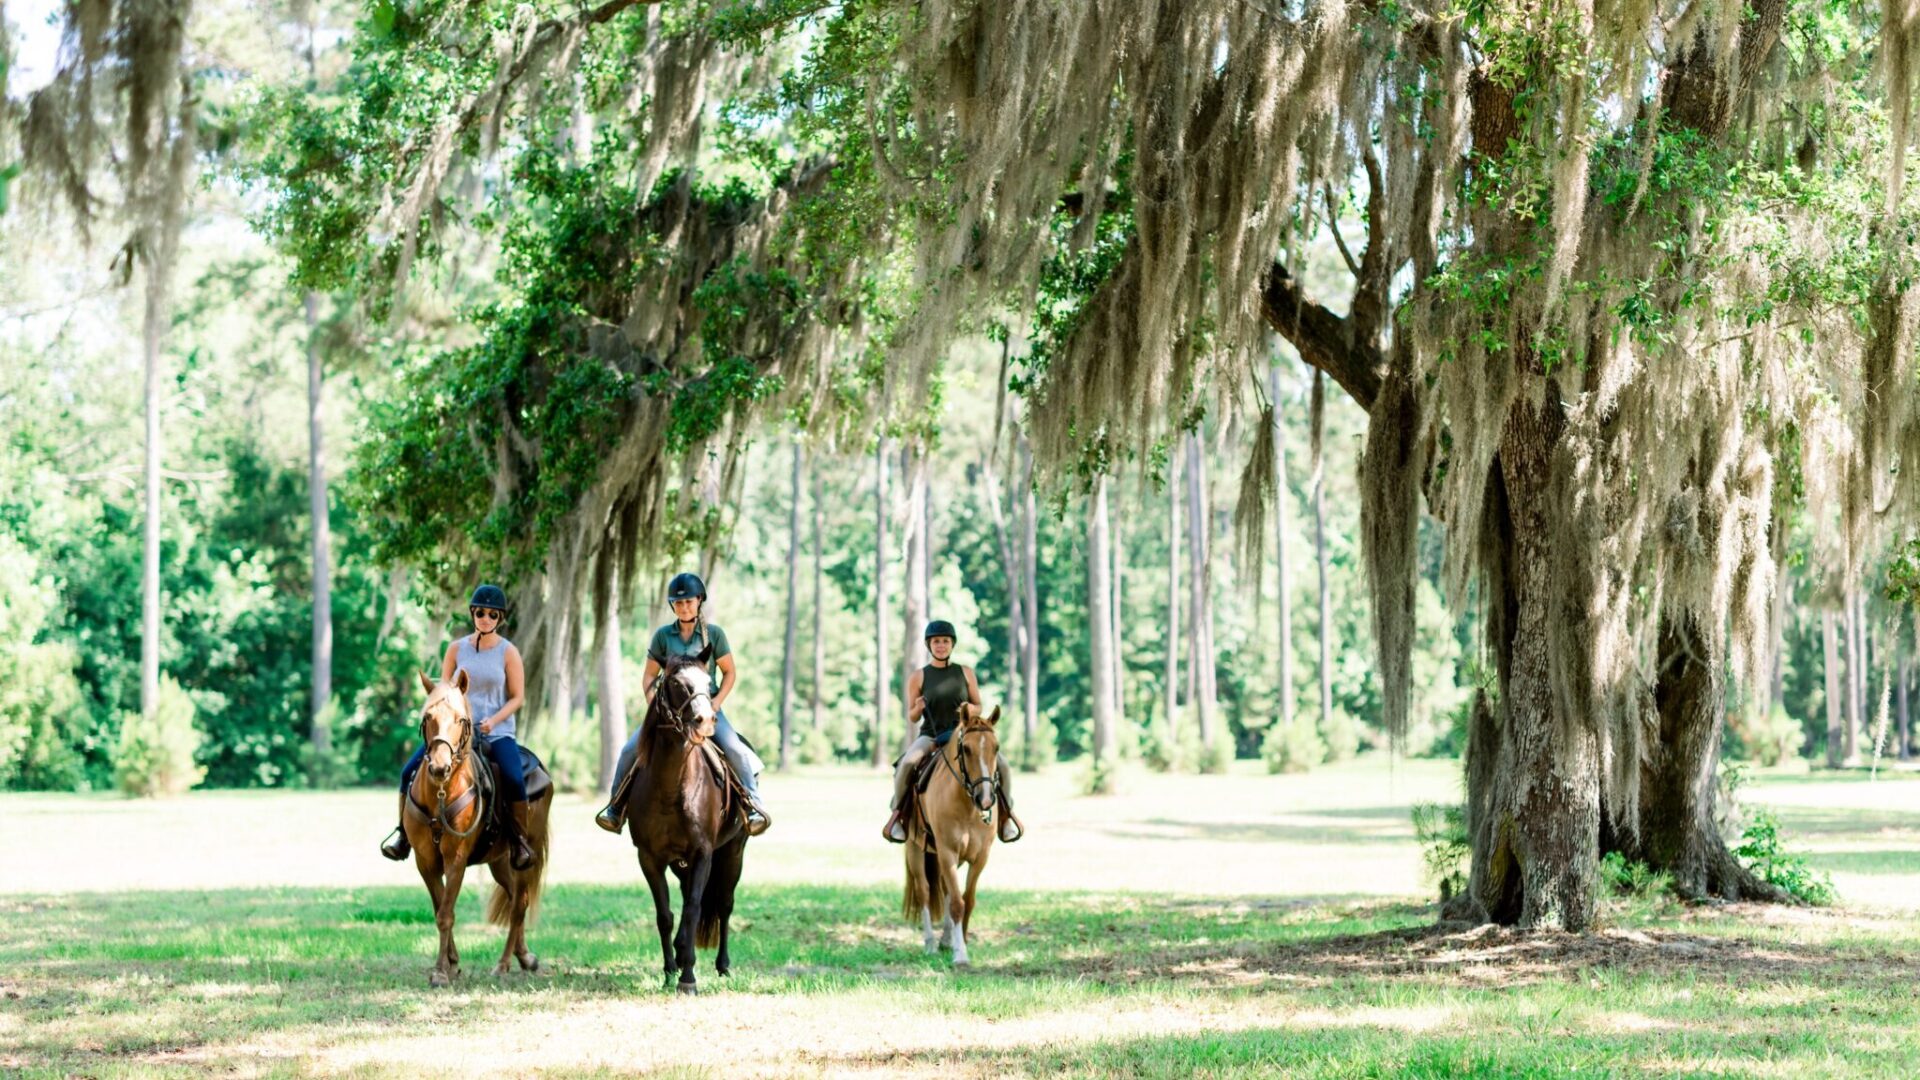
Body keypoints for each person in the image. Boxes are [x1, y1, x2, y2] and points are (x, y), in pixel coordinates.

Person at [594, 572, 771, 836]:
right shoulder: (663, 636)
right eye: (678, 603)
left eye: (688, 601)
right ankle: (615, 809)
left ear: (699, 601)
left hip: (705, 711)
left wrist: (715, 703)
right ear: (672, 606)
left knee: (736, 750)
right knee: (629, 751)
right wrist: (655, 707)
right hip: (669, 713)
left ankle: (752, 807)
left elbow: (730, 672)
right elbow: (649, 677)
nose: (684, 607)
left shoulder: (715, 635)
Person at [379, 585, 536, 870]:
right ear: (472, 614)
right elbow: (444, 691)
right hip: (454, 732)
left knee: (513, 778)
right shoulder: (456, 649)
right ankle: (403, 836)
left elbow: (518, 697)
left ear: (500, 618)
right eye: (480, 612)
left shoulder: (508, 652)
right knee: (407, 773)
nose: (485, 618)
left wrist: (494, 720)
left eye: (492, 614)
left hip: (495, 732)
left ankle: (519, 841)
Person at [882, 620, 1023, 844]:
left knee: (1003, 765)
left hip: (962, 735)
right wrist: (917, 708)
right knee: (908, 763)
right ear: (929, 645)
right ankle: (898, 815)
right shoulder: (918, 676)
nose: (941, 645)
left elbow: (978, 705)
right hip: (931, 736)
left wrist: (968, 710)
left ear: (952, 644)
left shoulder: (965, 673)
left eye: (945, 641)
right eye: (936, 641)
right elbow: (912, 716)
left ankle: (1005, 818)